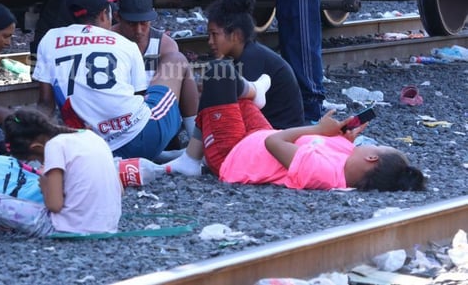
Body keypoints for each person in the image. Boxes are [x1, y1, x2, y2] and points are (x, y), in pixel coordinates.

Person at [174, 59, 425, 191]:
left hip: (232, 154)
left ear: (372, 158)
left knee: (220, 73)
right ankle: (251, 94)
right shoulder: (346, 157)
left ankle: (193, 158)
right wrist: (341, 137)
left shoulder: (324, 174)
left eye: (377, 147)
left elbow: (276, 143)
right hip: (257, 135)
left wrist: (317, 130)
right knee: (223, 87)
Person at [34, 0, 204, 161]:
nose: (138, 30)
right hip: (141, 139)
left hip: (90, 147)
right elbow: (141, 101)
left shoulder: (49, 39)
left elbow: (45, 103)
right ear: (105, 14)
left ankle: (161, 154)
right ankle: (196, 153)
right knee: (177, 59)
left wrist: (39, 145)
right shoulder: (123, 43)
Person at [0, 108, 122, 237]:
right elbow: (120, 190)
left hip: (68, 229)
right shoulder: (90, 136)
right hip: (109, 225)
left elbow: (55, 206)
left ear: (37, 147)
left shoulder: (54, 146)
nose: (41, 164)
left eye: (39, 159)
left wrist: (45, 186)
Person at [205, 0, 305, 129]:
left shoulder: (251, 60)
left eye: (214, 34)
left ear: (236, 35)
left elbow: (238, 110)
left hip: (279, 135)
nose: (210, 41)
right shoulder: (249, 54)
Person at [113, 0, 199, 143]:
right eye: (132, 24)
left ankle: (195, 140)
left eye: (143, 23)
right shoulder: (108, 42)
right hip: (117, 123)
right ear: (118, 17)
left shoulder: (165, 45)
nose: (138, 30)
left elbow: (173, 92)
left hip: (155, 119)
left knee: (179, 60)